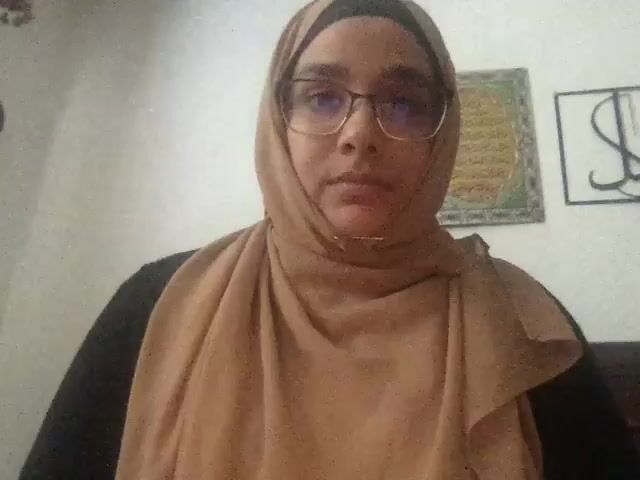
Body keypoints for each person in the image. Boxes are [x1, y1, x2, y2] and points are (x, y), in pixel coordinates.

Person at [19, 0, 640, 479]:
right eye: (321, 97)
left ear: (442, 132)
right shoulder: (159, 306)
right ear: (277, 120)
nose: (359, 134)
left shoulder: (527, 329)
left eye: (404, 103)